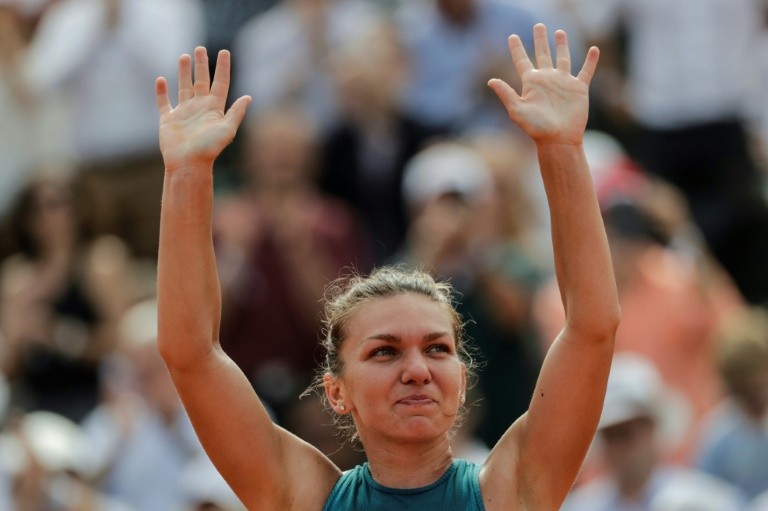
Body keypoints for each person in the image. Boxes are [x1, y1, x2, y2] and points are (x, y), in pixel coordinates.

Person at [155, 23, 619, 510]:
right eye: (385, 352)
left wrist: (562, 150)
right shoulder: (305, 498)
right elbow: (190, 353)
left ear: (462, 381)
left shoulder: (510, 489)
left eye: (438, 349)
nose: (417, 369)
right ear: (336, 392)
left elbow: (591, 327)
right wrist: (186, 174)